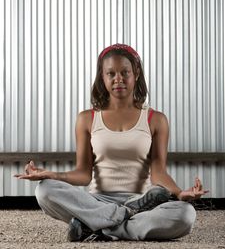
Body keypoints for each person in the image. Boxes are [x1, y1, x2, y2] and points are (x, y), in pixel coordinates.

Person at [15, 43, 208, 242]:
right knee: (45, 190)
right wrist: (51, 174)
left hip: (141, 199)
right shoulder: (87, 118)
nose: (118, 79)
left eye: (125, 72)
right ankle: (123, 217)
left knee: (185, 214)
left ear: (137, 73)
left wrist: (179, 192)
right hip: (97, 201)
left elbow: (159, 172)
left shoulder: (156, 119)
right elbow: (83, 174)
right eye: (111, 73)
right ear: (102, 77)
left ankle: (96, 227)